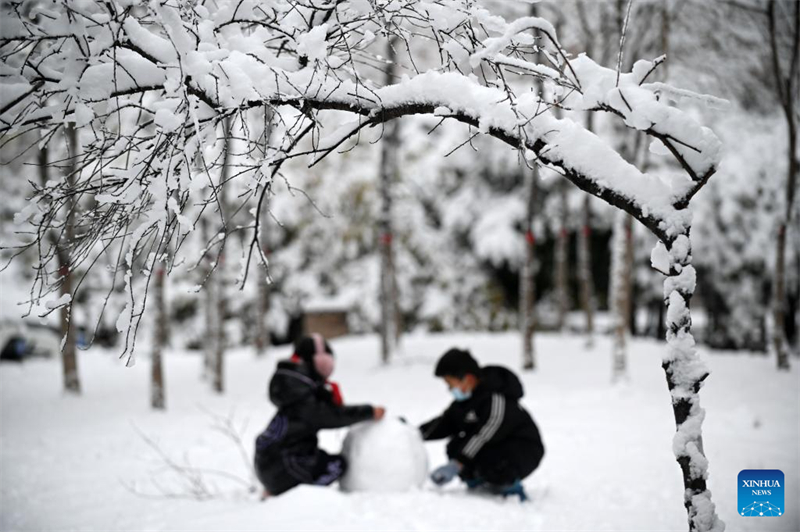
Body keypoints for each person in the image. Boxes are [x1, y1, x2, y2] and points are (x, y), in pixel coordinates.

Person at [254, 334, 385, 498]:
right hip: (287, 466)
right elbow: (331, 416)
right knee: (337, 465)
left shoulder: (296, 387)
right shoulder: (303, 397)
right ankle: (300, 496)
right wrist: (369, 411)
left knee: (322, 458)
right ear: (319, 362)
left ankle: (278, 488)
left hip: (272, 463)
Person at [420, 348, 544, 501]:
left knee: (486, 456)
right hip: (493, 446)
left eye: (451, 384)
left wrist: (458, 463)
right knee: (455, 445)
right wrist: (414, 433)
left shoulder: (497, 399)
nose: (450, 390)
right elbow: (444, 423)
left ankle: (509, 486)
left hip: (522, 449)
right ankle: (479, 481)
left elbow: (484, 434)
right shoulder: (464, 402)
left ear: (469, 379)